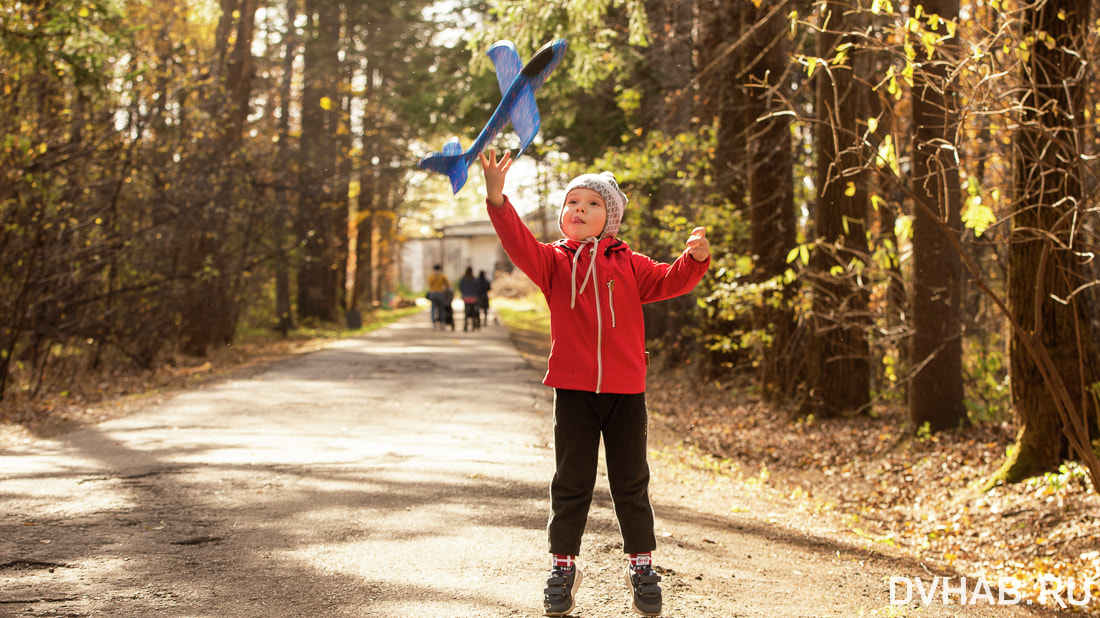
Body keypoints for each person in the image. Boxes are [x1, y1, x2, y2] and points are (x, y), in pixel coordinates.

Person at [479, 148, 710, 617]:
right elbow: (516, 241)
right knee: (571, 482)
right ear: (563, 216)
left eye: (592, 203)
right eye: (572, 203)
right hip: (575, 392)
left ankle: (641, 566)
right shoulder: (552, 263)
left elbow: (671, 281)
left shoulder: (631, 264)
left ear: (611, 218)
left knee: (631, 483)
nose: (579, 209)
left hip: (626, 393)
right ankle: (564, 568)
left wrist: (695, 259)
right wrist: (497, 196)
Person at [427, 264, 451, 329]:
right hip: (441, 294)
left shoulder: (431, 276)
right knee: (441, 309)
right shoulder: (442, 276)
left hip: (433, 294)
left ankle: (434, 324)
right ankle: (442, 323)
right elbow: (448, 285)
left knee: (433, 309)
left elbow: (430, 284)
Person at [458, 266, 481, 331]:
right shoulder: (474, 279)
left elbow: (460, 287)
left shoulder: (463, 279)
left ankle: (465, 324)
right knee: (473, 312)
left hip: (466, 297)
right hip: (473, 298)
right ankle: (473, 324)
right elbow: (477, 288)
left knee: (466, 311)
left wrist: (463, 293)